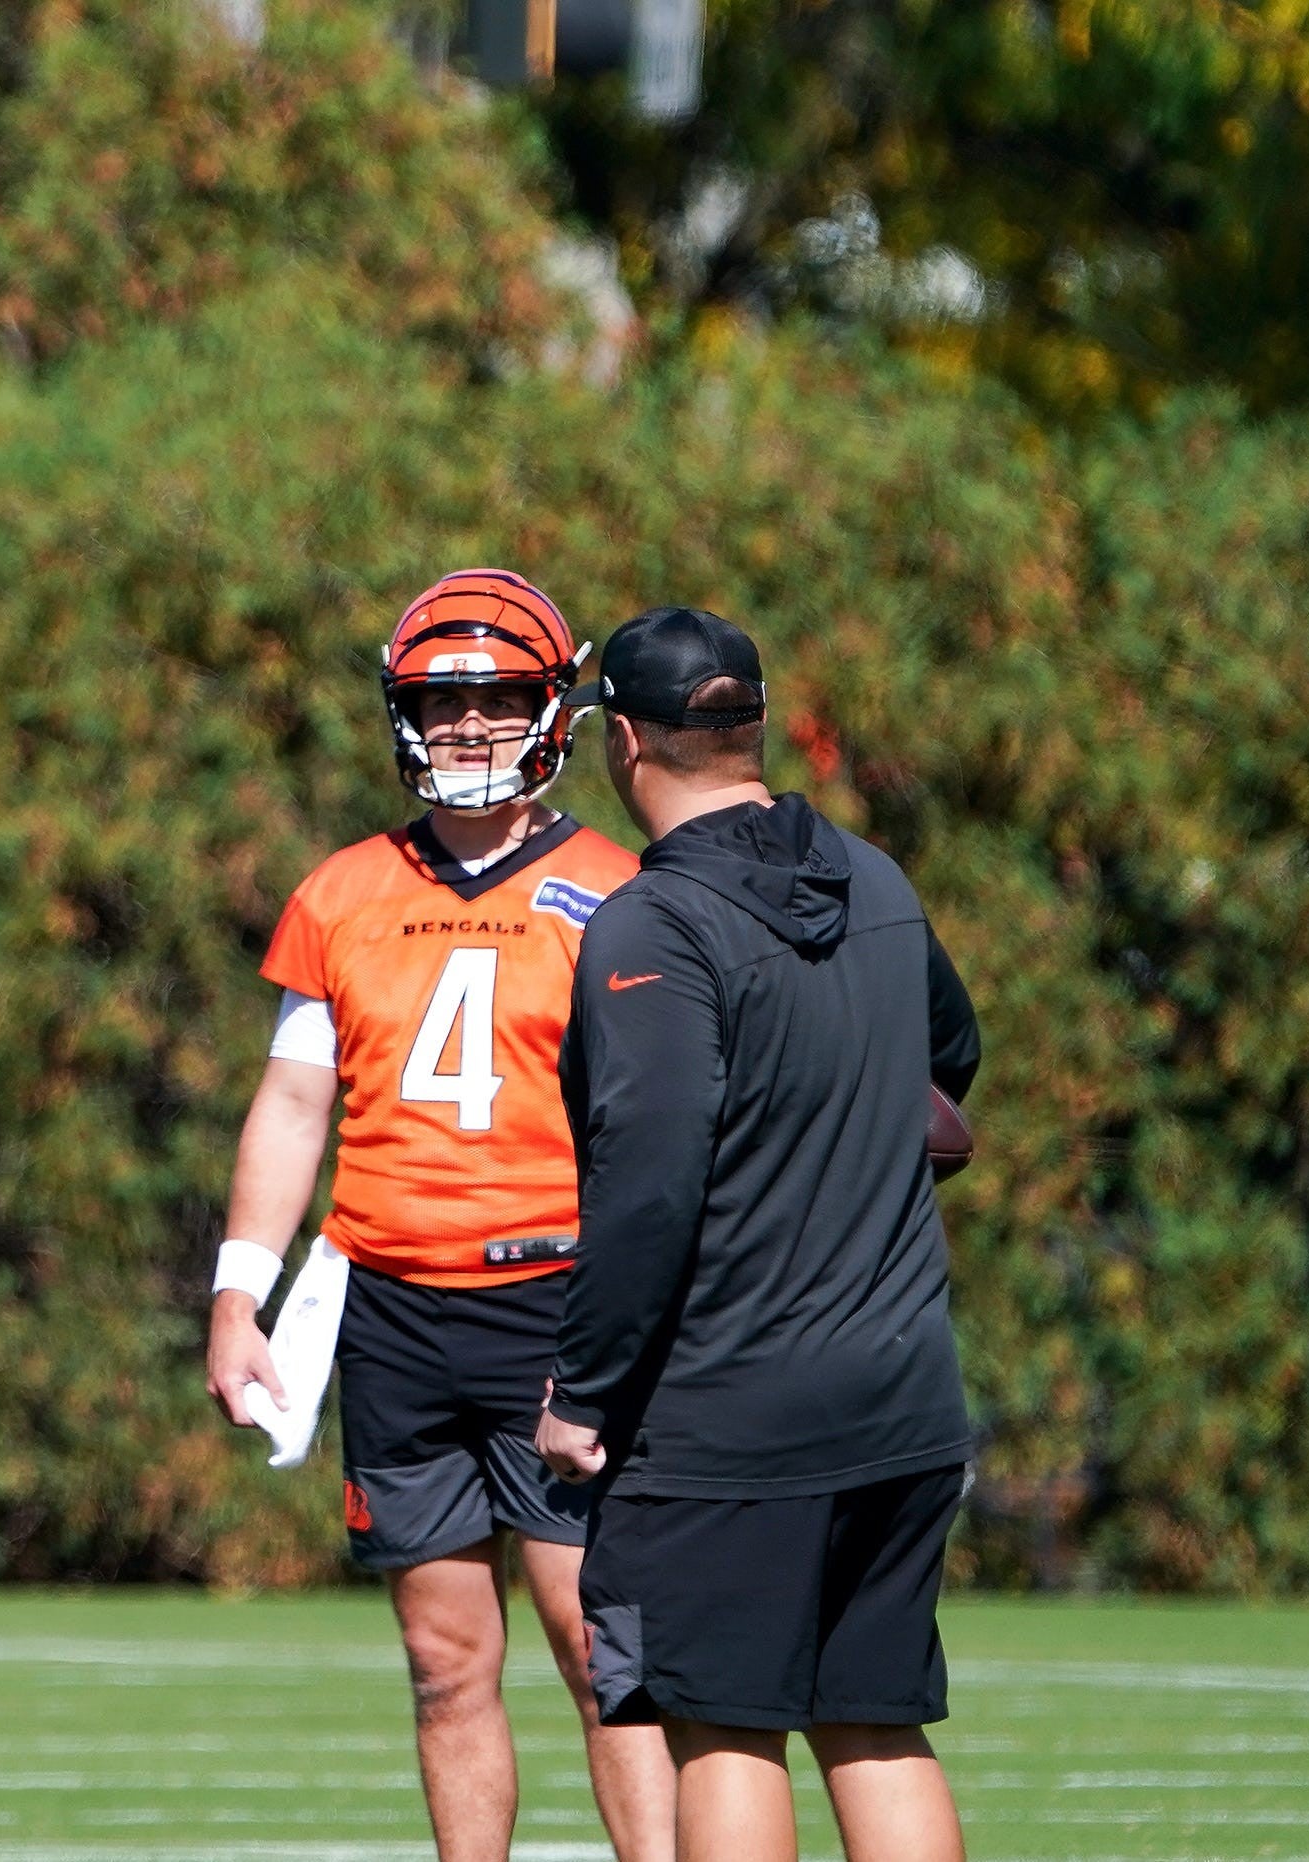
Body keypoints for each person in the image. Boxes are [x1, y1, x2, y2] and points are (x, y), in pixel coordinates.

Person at [206, 570, 674, 1862]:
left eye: (500, 696)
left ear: (555, 704)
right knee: (442, 1656)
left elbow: (661, 1128)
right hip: (396, 1310)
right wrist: (238, 1292)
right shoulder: (343, 888)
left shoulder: (623, 893)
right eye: (441, 698)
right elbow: (296, 1102)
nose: (469, 724)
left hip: (558, 1302)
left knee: (602, 1650)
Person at [535, 606, 982, 1862]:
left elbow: (651, 1178)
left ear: (622, 739)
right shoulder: (875, 877)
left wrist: (585, 1387)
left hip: (732, 1406)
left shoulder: (651, 921)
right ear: (753, 724)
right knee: (876, 1723)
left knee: (719, 1728)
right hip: (902, 1390)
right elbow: (949, 1058)